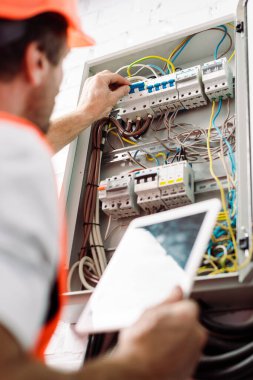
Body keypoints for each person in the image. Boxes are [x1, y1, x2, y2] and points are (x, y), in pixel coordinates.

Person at [0, 1, 207, 379]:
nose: (62, 78)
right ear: (37, 62)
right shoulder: (16, 152)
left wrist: (86, 114)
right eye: (62, 62)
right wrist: (143, 364)